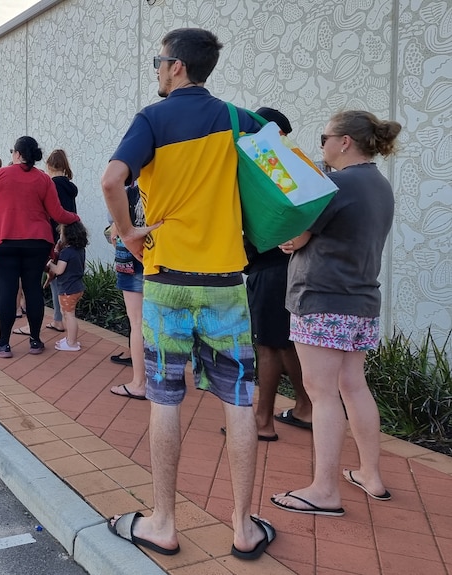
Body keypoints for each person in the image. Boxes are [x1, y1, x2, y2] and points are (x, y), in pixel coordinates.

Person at [101, 28, 274, 560]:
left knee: (165, 398)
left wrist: (129, 233)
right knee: (239, 402)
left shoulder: (152, 119)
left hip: (167, 281)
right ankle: (244, 527)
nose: (157, 68)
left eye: (159, 60)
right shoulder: (240, 119)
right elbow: (282, 170)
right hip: (226, 283)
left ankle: (163, 522)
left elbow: (111, 180)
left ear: (176, 67)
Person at [271, 110, 401, 516]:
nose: (322, 144)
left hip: (323, 299)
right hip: (361, 300)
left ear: (345, 141)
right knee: (353, 386)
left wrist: (291, 238)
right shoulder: (379, 184)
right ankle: (370, 474)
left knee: (322, 393)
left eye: (326, 137)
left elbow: (295, 234)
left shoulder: (336, 184)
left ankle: (324, 490)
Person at [244, 107, 311, 440]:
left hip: (270, 269)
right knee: (285, 345)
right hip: (286, 268)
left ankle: (263, 422)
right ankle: (305, 406)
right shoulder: (294, 169)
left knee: (268, 346)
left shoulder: (271, 168)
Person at [0, 136, 79, 358]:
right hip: (37, 243)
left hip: (5, 240)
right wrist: (75, 217)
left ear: (16, 153)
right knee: (33, 289)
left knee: (8, 290)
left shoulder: (0, 176)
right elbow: (57, 213)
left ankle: (4, 345)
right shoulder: (43, 179)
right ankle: (35, 341)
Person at [14, 149, 78, 335]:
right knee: (58, 281)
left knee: (33, 282)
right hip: (67, 237)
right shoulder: (69, 187)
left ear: (49, 166)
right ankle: (59, 319)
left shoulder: (49, 185)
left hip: (49, 238)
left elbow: (47, 213)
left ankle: (33, 325)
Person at [108, 184, 147, 400]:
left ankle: (139, 382)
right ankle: (162, 378)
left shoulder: (127, 193)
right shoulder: (167, 188)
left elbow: (115, 233)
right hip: (162, 261)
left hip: (132, 261)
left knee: (137, 322)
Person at [48, 221, 88, 352]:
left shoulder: (66, 252)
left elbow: (59, 270)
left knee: (69, 315)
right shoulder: (80, 249)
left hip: (67, 290)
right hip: (77, 286)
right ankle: (70, 339)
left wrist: (49, 264)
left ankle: (72, 342)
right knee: (69, 314)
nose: (60, 236)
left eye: (61, 234)